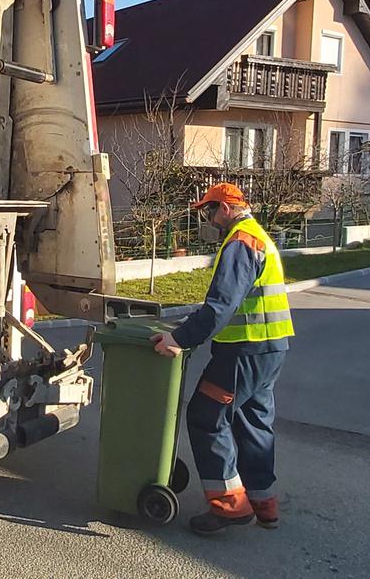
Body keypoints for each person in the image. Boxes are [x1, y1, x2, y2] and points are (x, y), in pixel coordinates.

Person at [151, 182, 293, 536]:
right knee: (253, 423)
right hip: (269, 349)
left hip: (242, 352)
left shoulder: (241, 242)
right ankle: (264, 503)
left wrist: (178, 339)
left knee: (206, 417)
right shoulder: (256, 236)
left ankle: (229, 505)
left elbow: (221, 306)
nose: (208, 218)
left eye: (210, 210)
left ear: (227, 207)